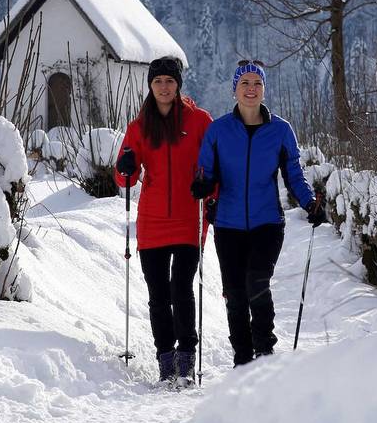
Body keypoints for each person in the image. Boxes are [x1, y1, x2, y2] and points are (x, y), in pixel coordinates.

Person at [192, 61, 326, 366]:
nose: (251, 89)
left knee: (257, 282)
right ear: (235, 89)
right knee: (235, 294)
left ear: (264, 90)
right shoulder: (218, 131)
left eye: (257, 83)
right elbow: (205, 171)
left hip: (267, 223)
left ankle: (264, 351)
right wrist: (202, 184)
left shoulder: (280, 130)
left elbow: (294, 175)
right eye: (245, 83)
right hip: (227, 224)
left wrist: (310, 203)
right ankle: (242, 358)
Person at [114, 55, 214, 385]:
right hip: (152, 223)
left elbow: (214, 167)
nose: (164, 87)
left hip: (189, 220)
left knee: (181, 289)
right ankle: (166, 359)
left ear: (178, 84)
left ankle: (186, 359)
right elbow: (123, 178)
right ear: (150, 86)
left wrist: (210, 193)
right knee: (158, 296)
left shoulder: (199, 121)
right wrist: (125, 167)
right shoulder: (139, 126)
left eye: (170, 81)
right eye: (158, 81)